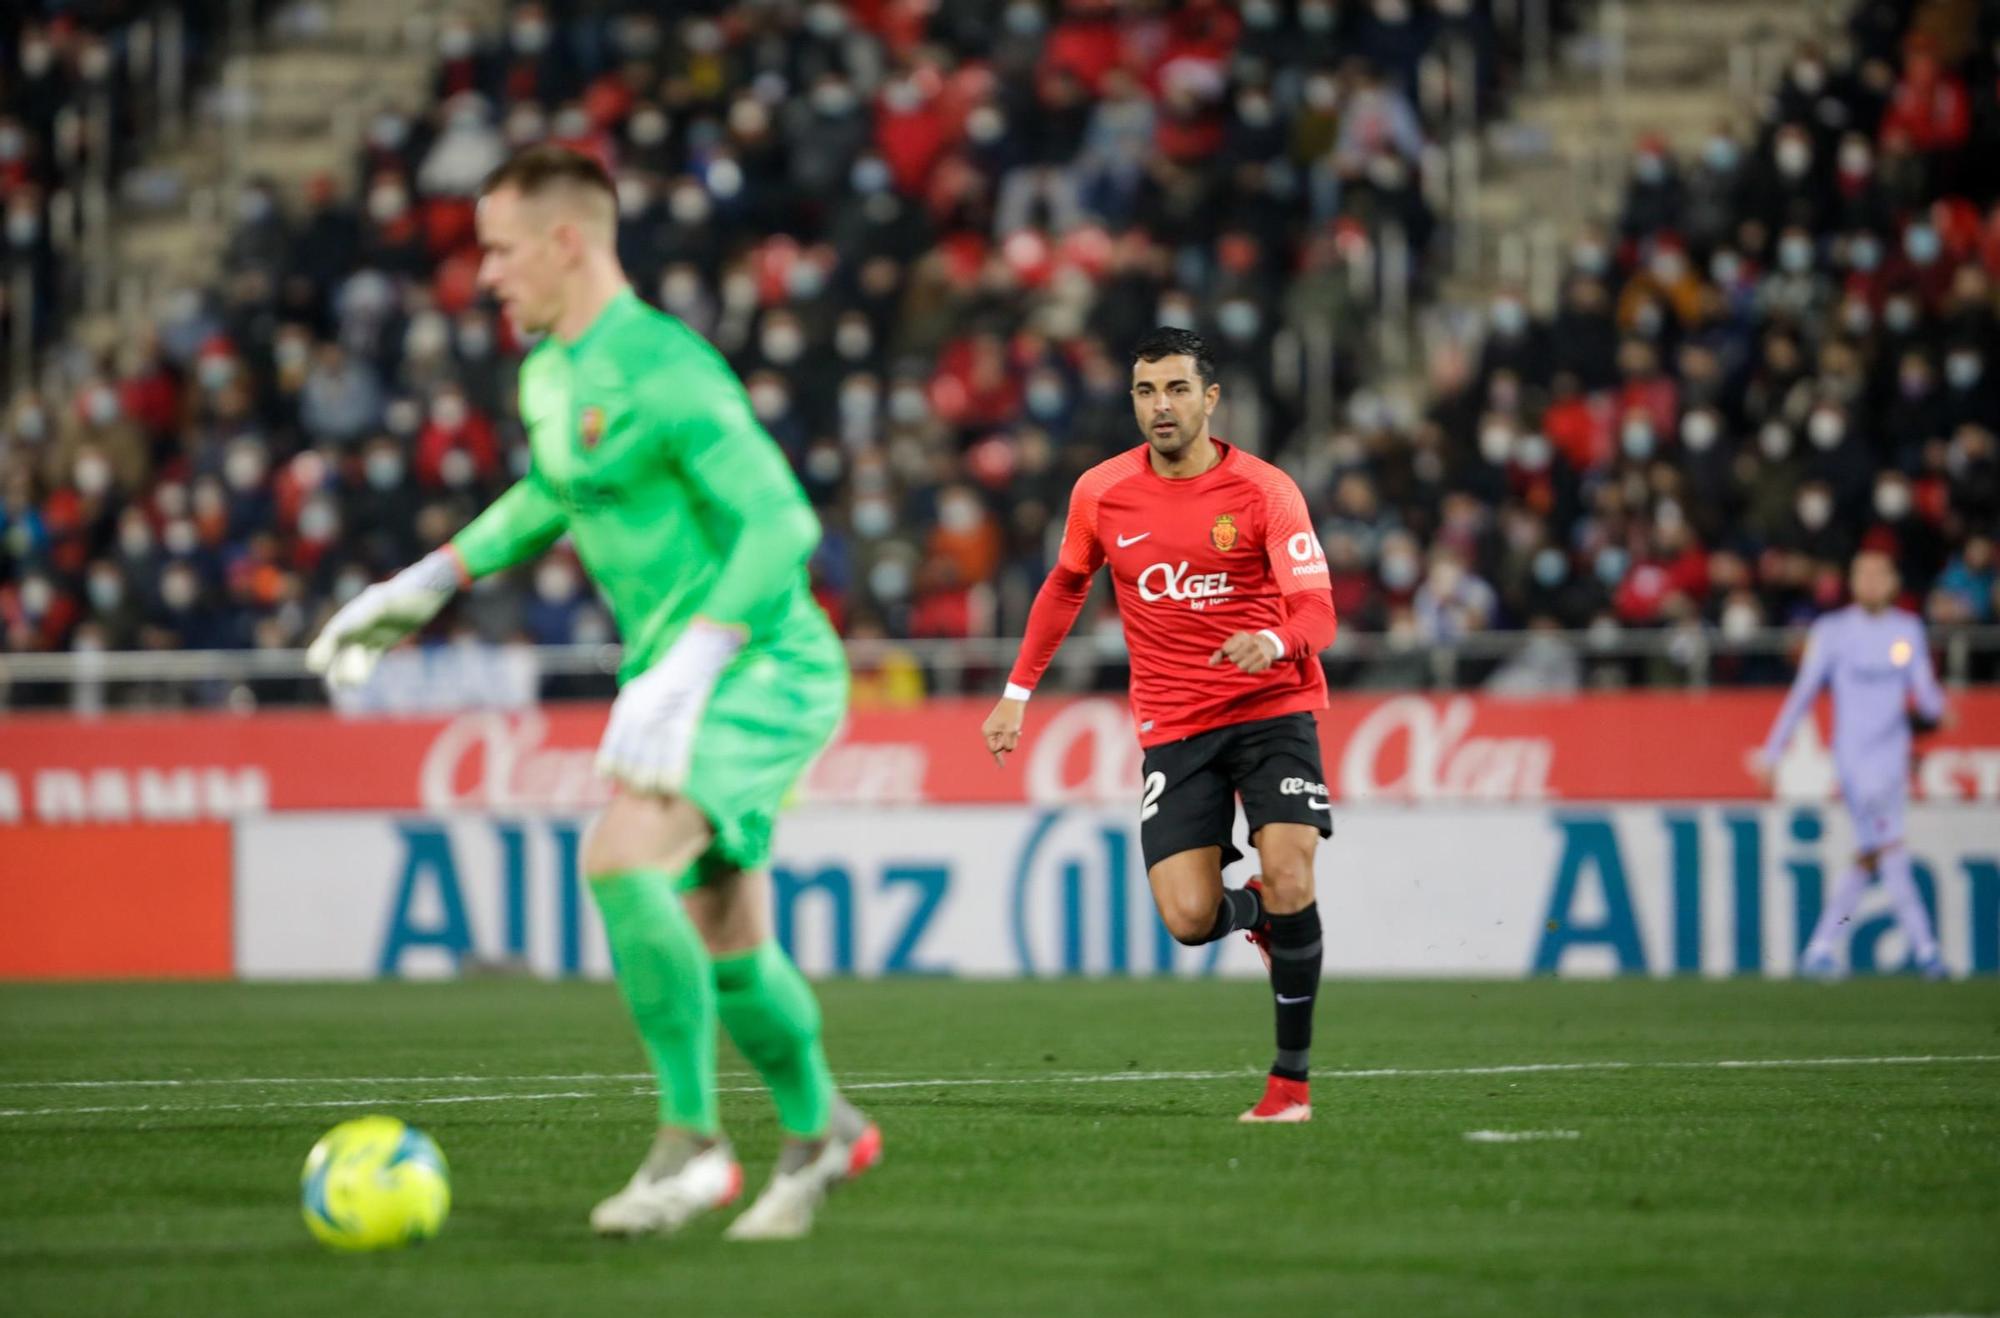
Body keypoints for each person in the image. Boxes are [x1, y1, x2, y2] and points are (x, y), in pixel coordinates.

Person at [305, 145, 878, 1239]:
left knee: (619, 855)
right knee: (727, 932)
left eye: (501, 249)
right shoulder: (549, 372)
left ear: (567, 243)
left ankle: (693, 1144)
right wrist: (426, 581)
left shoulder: (667, 368)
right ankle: (820, 1132)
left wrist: (698, 658)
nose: (485, 275)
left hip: (762, 665)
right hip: (681, 674)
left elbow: (784, 524)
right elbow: (551, 491)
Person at [981, 328, 1340, 1124]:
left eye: (1177, 389)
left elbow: (1318, 607)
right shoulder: (1102, 492)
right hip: (1175, 727)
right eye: (1146, 392)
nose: (1161, 407)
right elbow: (1065, 586)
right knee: (1188, 917)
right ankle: (1257, 917)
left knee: (1291, 869)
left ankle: (1290, 1084)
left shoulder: (1266, 491)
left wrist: (1275, 640)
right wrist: (1016, 691)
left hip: (1270, 704)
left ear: (1210, 398)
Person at [1753, 550, 1950, 979]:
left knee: (1871, 853)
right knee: (1890, 847)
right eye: (1864, 574)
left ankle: (1820, 948)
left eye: (1881, 573)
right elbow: (1803, 692)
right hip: (1854, 759)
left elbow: (1925, 691)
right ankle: (1927, 950)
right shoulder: (1833, 631)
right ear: (1852, 581)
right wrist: (1773, 750)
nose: (1873, 581)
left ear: (1894, 581)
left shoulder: (1907, 629)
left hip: (1893, 757)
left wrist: (1938, 708)